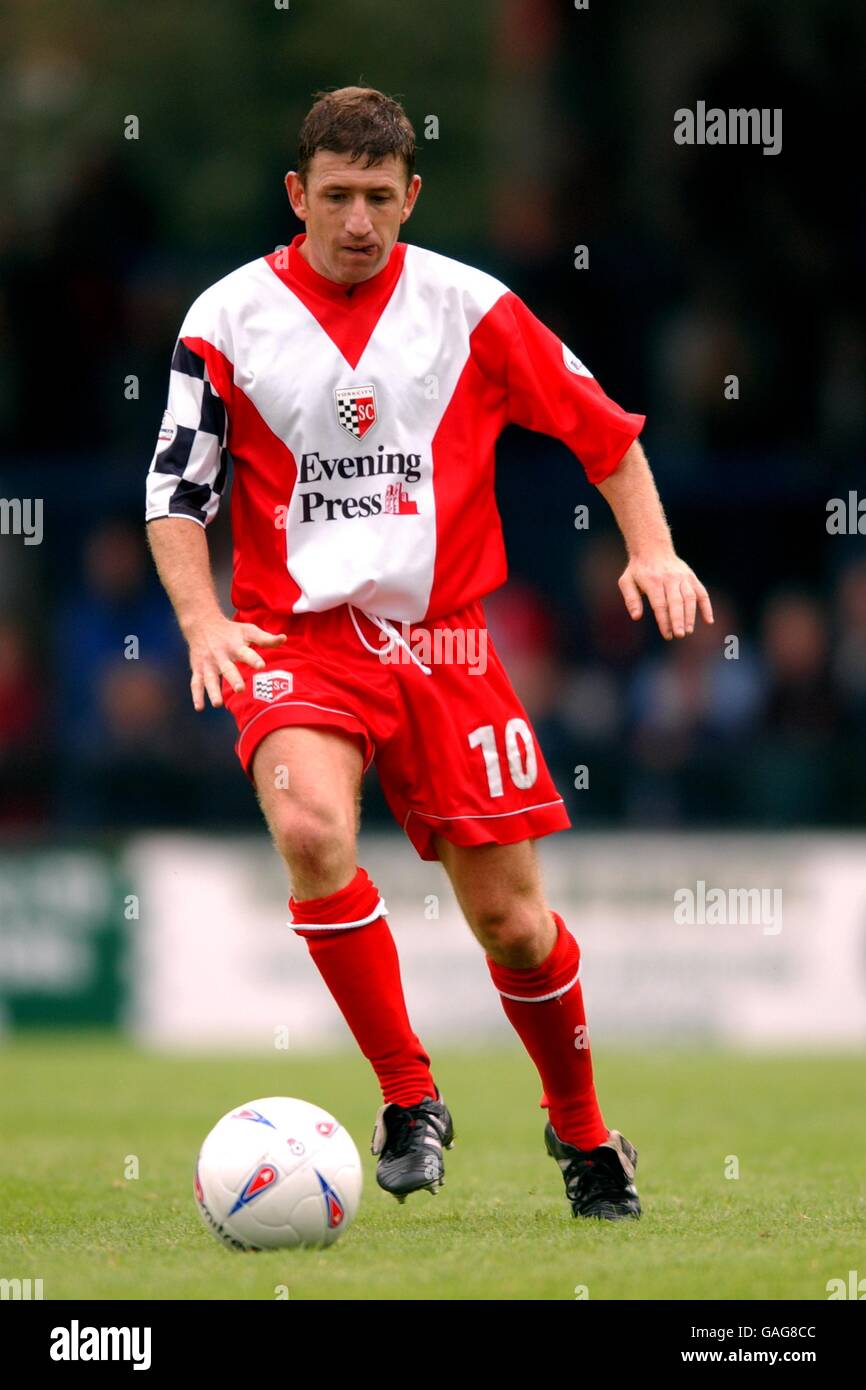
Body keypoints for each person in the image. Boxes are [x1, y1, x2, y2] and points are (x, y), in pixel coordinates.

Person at [146, 86, 713, 1222]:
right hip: (298, 640)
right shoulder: (226, 317)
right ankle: (410, 1096)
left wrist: (649, 551)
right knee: (308, 826)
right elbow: (175, 490)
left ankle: (583, 1130)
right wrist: (205, 623)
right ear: (298, 195)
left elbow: (603, 432)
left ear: (411, 195)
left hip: (448, 644)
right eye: (336, 197)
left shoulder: (472, 306)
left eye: (378, 198)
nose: (357, 221)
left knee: (511, 921)